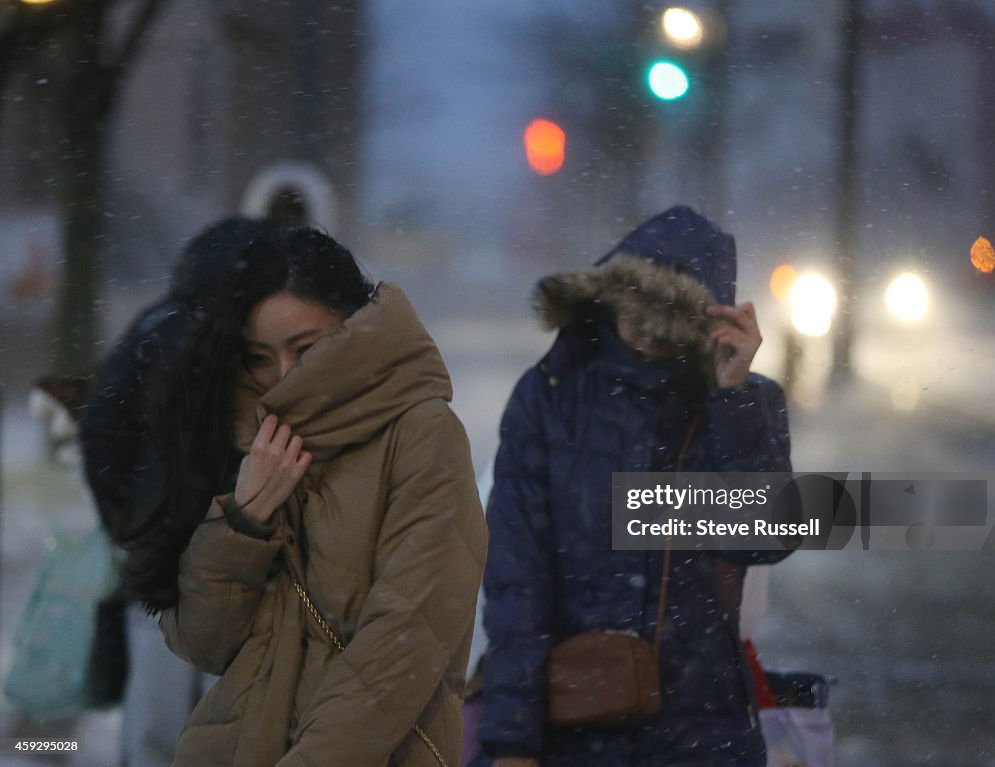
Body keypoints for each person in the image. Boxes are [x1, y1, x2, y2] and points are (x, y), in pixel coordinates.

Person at [121, 227, 487, 766]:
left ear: (354, 329)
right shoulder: (243, 433)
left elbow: (405, 641)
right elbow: (203, 644)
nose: (284, 378)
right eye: (260, 358)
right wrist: (244, 521)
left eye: (306, 348)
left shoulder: (422, 434)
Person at [473, 206, 793, 766]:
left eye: (666, 321)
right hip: (571, 729)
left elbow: (765, 537)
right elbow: (516, 584)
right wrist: (512, 742)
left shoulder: (744, 400)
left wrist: (731, 394)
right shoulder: (550, 396)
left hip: (702, 731)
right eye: (634, 312)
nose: (645, 334)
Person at [79, 215, 277, 766]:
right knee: (223, 708)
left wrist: (127, 514)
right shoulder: (258, 340)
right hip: (238, 546)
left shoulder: (154, 325)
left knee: (155, 716)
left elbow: (100, 429)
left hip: (157, 547)